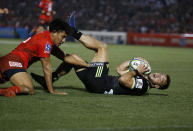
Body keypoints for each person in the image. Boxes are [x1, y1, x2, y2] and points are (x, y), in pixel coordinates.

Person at [31, 25, 171, 96]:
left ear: (157, 86)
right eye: (161, 74)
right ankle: (51, 78)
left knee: (102, 48)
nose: (158, 75)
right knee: (73, 59)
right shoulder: (141, 78)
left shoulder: (144, 86)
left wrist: (135, 71)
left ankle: (73, 31)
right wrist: (133, 61)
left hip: (101, 82)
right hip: (97, 82)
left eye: (161, 79)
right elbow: (119, 70)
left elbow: (123, 81)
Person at [0, 19, 88, 97]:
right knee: (28, 88)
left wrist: (88, 65)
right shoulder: (45, 43)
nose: (64, 40)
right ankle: (4, 91)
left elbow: (66, 58)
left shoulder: (47, 38)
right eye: (63, 36)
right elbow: (46, 68)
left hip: (7, 62)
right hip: (13, 62)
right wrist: (52, 91)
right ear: (54, 32)